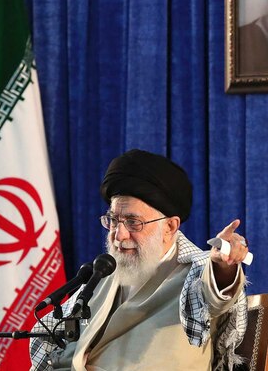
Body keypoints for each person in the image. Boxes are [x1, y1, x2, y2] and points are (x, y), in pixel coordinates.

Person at [29, 149, 250, 371]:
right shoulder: (105, 274)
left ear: (170, 227)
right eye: (114, 220)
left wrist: (223, 265)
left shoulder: (197, 270)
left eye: (134, 222)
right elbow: (51, 333)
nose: (119, 235)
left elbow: (216, 291)